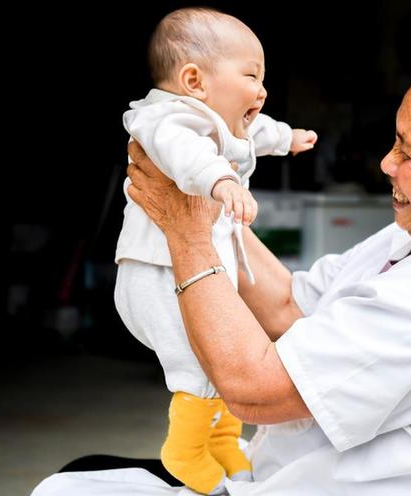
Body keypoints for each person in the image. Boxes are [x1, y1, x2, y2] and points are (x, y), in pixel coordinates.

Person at [33, 43, 411, 496]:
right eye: (395, 139)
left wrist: (187, 231)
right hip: (289, 472)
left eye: (410, 154)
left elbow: (253, 390)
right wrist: (202, 202)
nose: (387, 163)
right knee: (86, 472)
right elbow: (289, 305)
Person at [113, 7, 317, 495]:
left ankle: (224, 439)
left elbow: (256, 131)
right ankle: (183, 452)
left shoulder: (223, 122)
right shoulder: (169, 118)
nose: (261, 89)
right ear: (194, 80)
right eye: (251, 75)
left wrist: (287, 138)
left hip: (192, 270)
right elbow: (186, 154)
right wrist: (222, 179)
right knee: (196, 360)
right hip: (156, 274)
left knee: (224, 350)